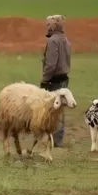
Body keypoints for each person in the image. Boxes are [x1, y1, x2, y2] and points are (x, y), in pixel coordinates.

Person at [40, 14, 72, 147]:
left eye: (48, 25)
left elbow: (51, 64)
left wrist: (45, 79)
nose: (46, 27)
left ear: (53, 26)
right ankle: (57, 139)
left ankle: (52, 140)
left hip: (54, 80)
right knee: (59, 110)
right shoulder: (65, 40)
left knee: (52, 110)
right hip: (64, 78)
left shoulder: (53, 41)